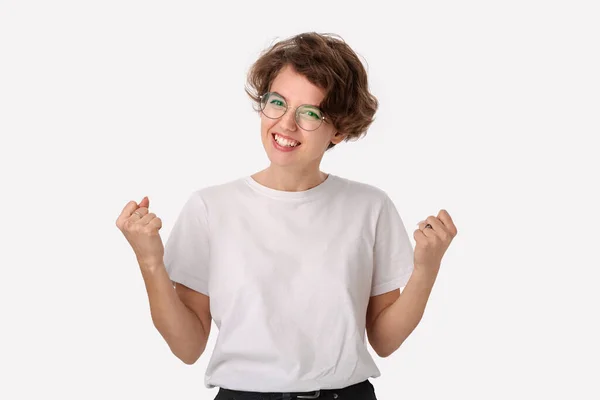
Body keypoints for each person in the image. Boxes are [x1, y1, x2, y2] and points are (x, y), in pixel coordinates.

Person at [116, 32, 457, 400]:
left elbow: (385, 341)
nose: (286, 125)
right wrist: (150, 261)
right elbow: (187, 348)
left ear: (339, 130)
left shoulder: (369, 207)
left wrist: (426, 268)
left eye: (309, 113)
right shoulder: (210, 208)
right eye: (277, 103)